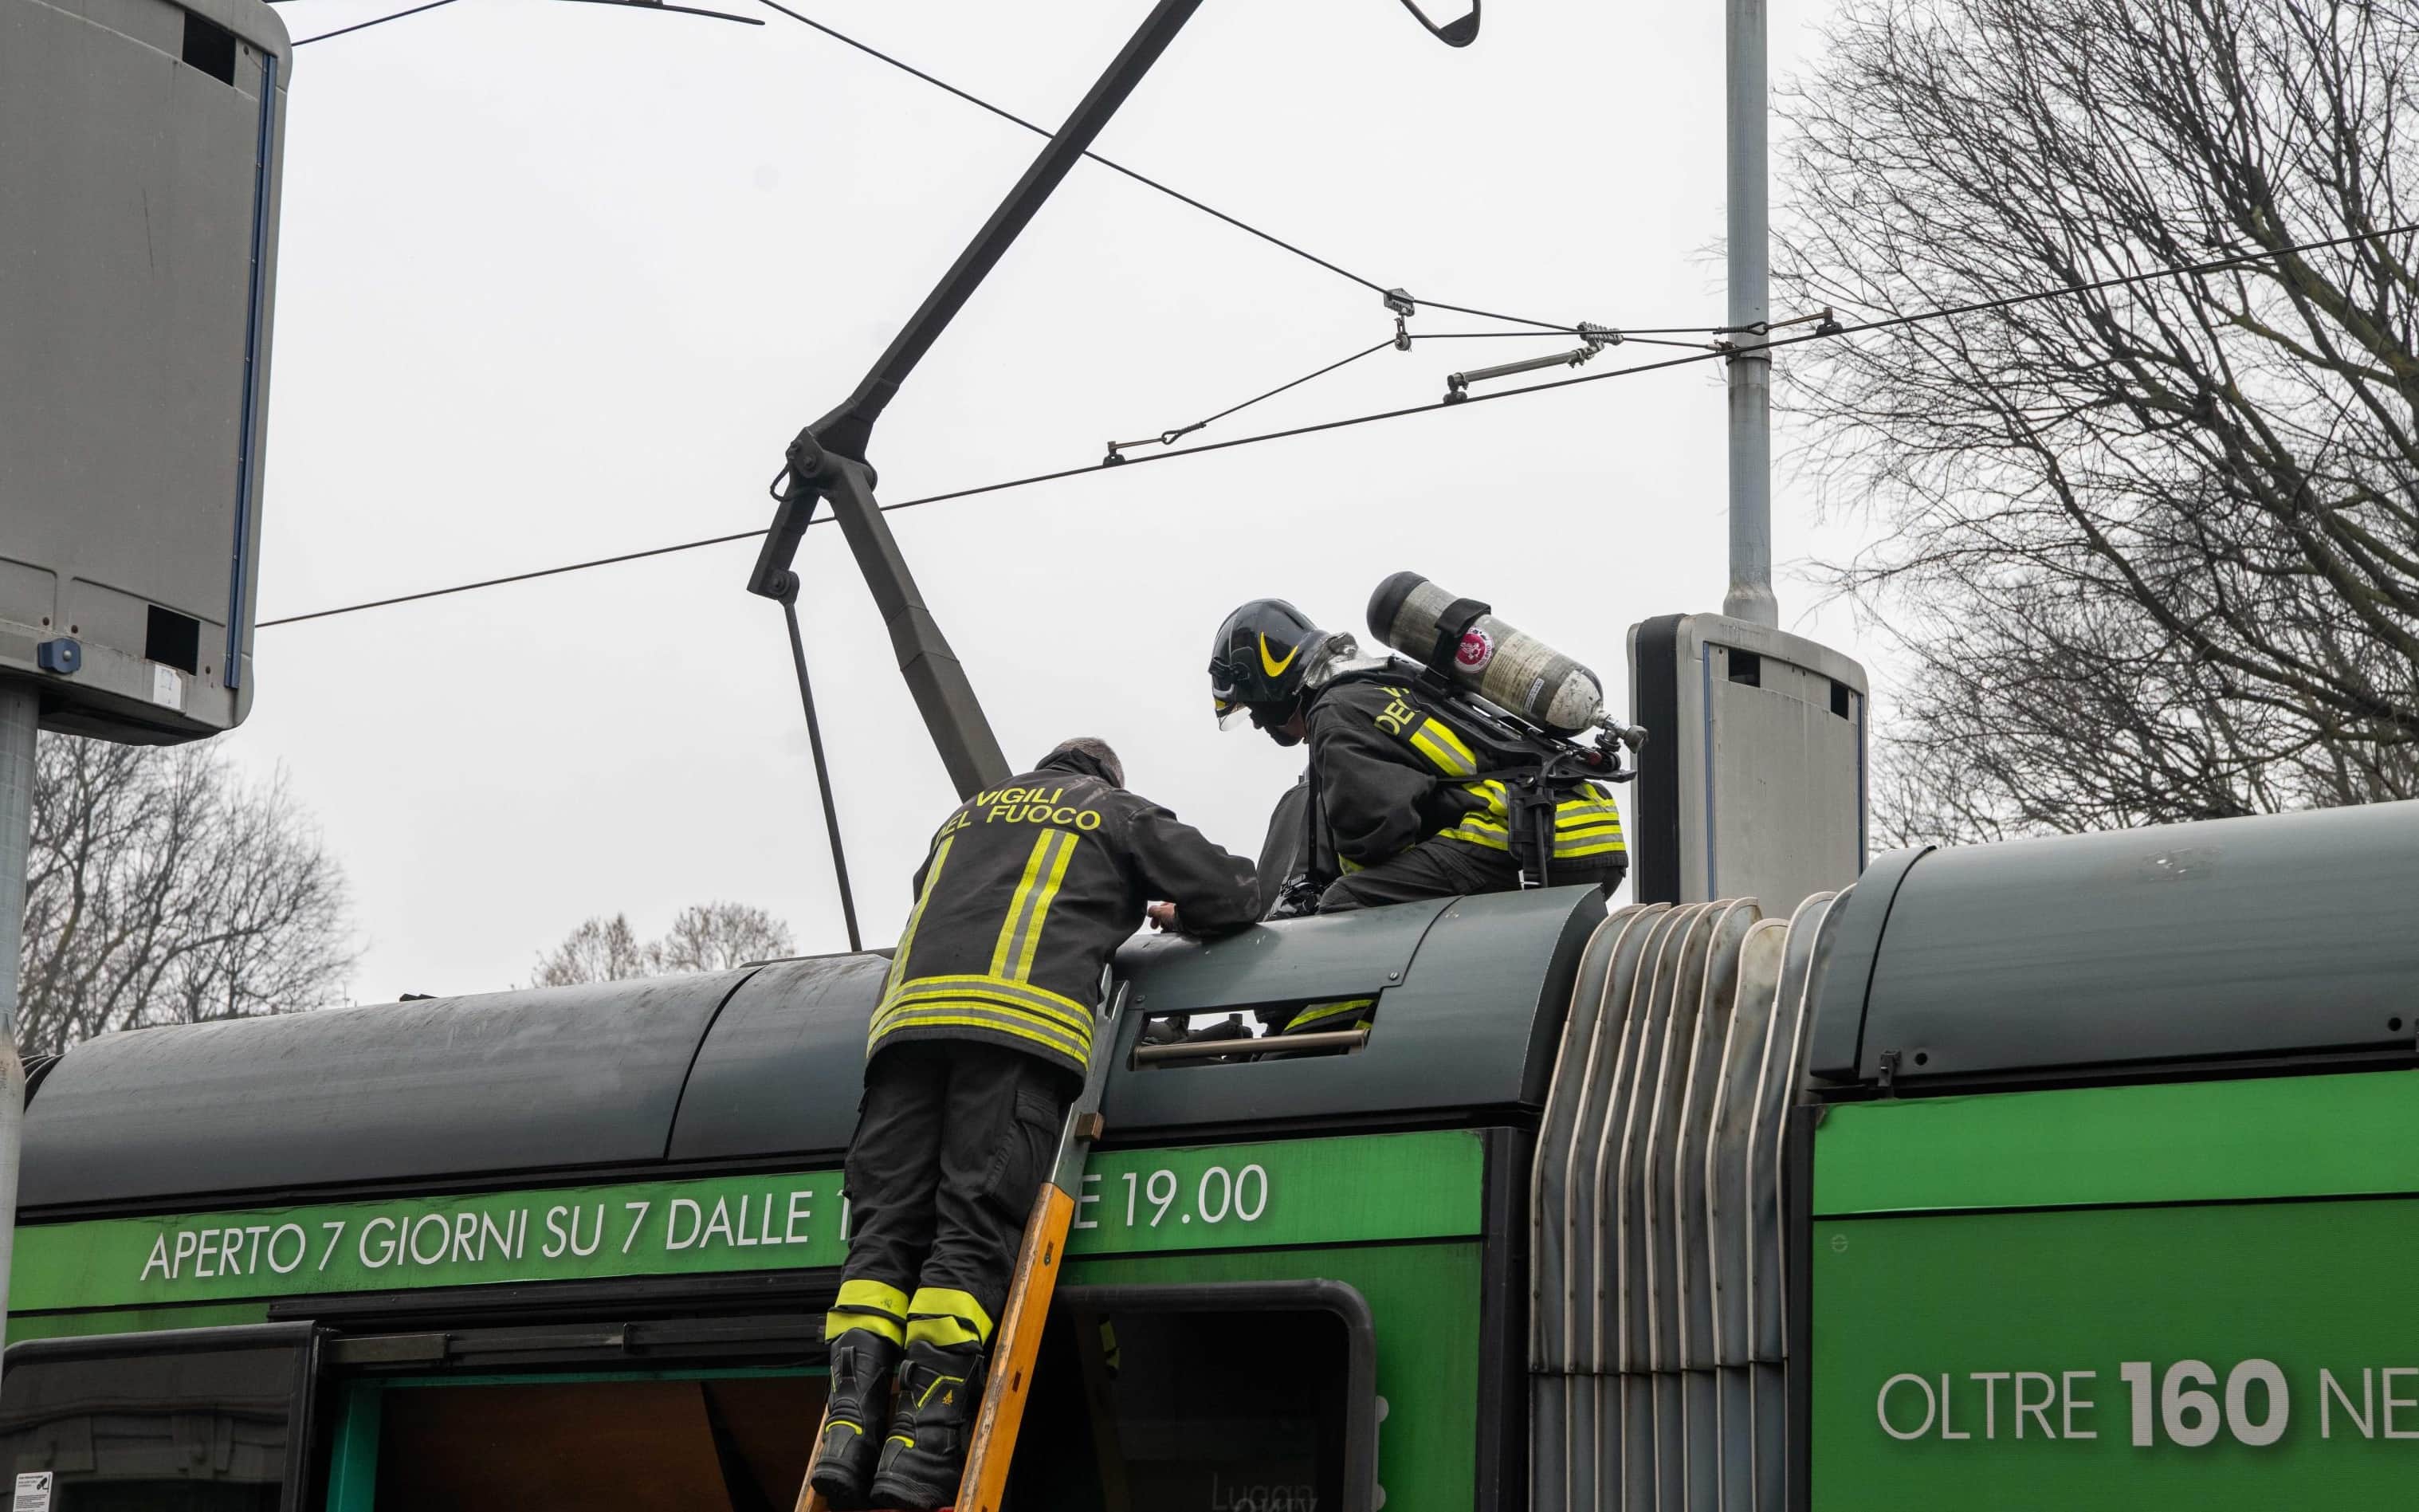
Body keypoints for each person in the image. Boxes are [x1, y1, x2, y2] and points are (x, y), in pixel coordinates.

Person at [814, 737, 1257, 1511]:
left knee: (883, 1232)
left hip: (903, 1038)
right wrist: (1162, 909)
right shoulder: (1111, 811)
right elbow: (1231, 891)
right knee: (971, 1226)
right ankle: (922, 1446)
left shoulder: (963, 818)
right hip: (1011, 1038)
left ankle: (848, 1429)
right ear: (1104, 777)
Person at [1206, 599, 1627, 921]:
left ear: (1267, 688)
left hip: (1536, 834)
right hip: (1583, 828)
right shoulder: (1381, 683)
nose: (1260, 725)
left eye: (1252, 709)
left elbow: (1376, 833)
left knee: (1345, 907)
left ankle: (1335, 1032)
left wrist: (1324, 888)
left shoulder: (1335, 712)